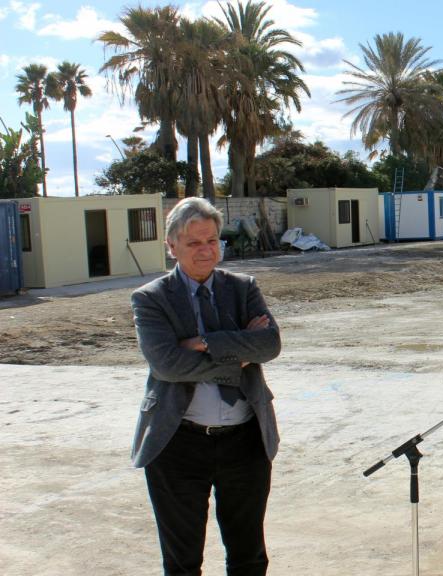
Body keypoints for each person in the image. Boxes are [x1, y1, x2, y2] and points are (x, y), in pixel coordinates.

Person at [130, 197, 281, 576]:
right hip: (177, 442)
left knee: (248, 554)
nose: (205, 251)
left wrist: (203, 342)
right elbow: (167, 364)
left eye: (212, 241)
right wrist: (237, 349)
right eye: (194, 243)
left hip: (244, 440)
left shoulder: (243, 287)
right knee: (182, 561)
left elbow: (269, 344)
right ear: (171, 246)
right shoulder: (151, 299)